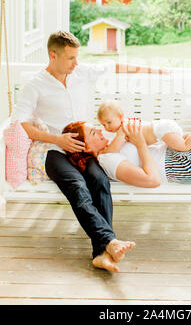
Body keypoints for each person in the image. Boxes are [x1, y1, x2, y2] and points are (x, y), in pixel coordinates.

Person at [11, 30, 166, 273]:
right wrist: (57, 139)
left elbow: (115, 66)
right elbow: (21, 123)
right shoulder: (35, 86)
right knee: (77, 186)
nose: (76, 63)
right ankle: (109, 243)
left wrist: (155, 71)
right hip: (56, 151)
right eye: (70, 58)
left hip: (84, 151)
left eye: (77, 57)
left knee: (100, 181)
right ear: (53, 55)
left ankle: (102, 252)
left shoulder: (81, 73)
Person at [65, 96, 191, 195]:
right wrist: (140, 143)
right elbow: (152, 180)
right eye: (94, 132)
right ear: (83, 147)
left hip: (187, 158)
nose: (101, 130)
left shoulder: (112, 146)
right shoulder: (107, 158)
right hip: (188, 164)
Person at [97, 99, 191, 151]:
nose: (107, 127)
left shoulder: (123, 128)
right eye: (103, 125)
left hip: (160, 130)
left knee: (184, 146)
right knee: (182, 138)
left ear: (120, 117)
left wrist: (103, 152)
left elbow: (114, 149)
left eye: (109, 122)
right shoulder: (125, 125)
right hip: (162, 128)